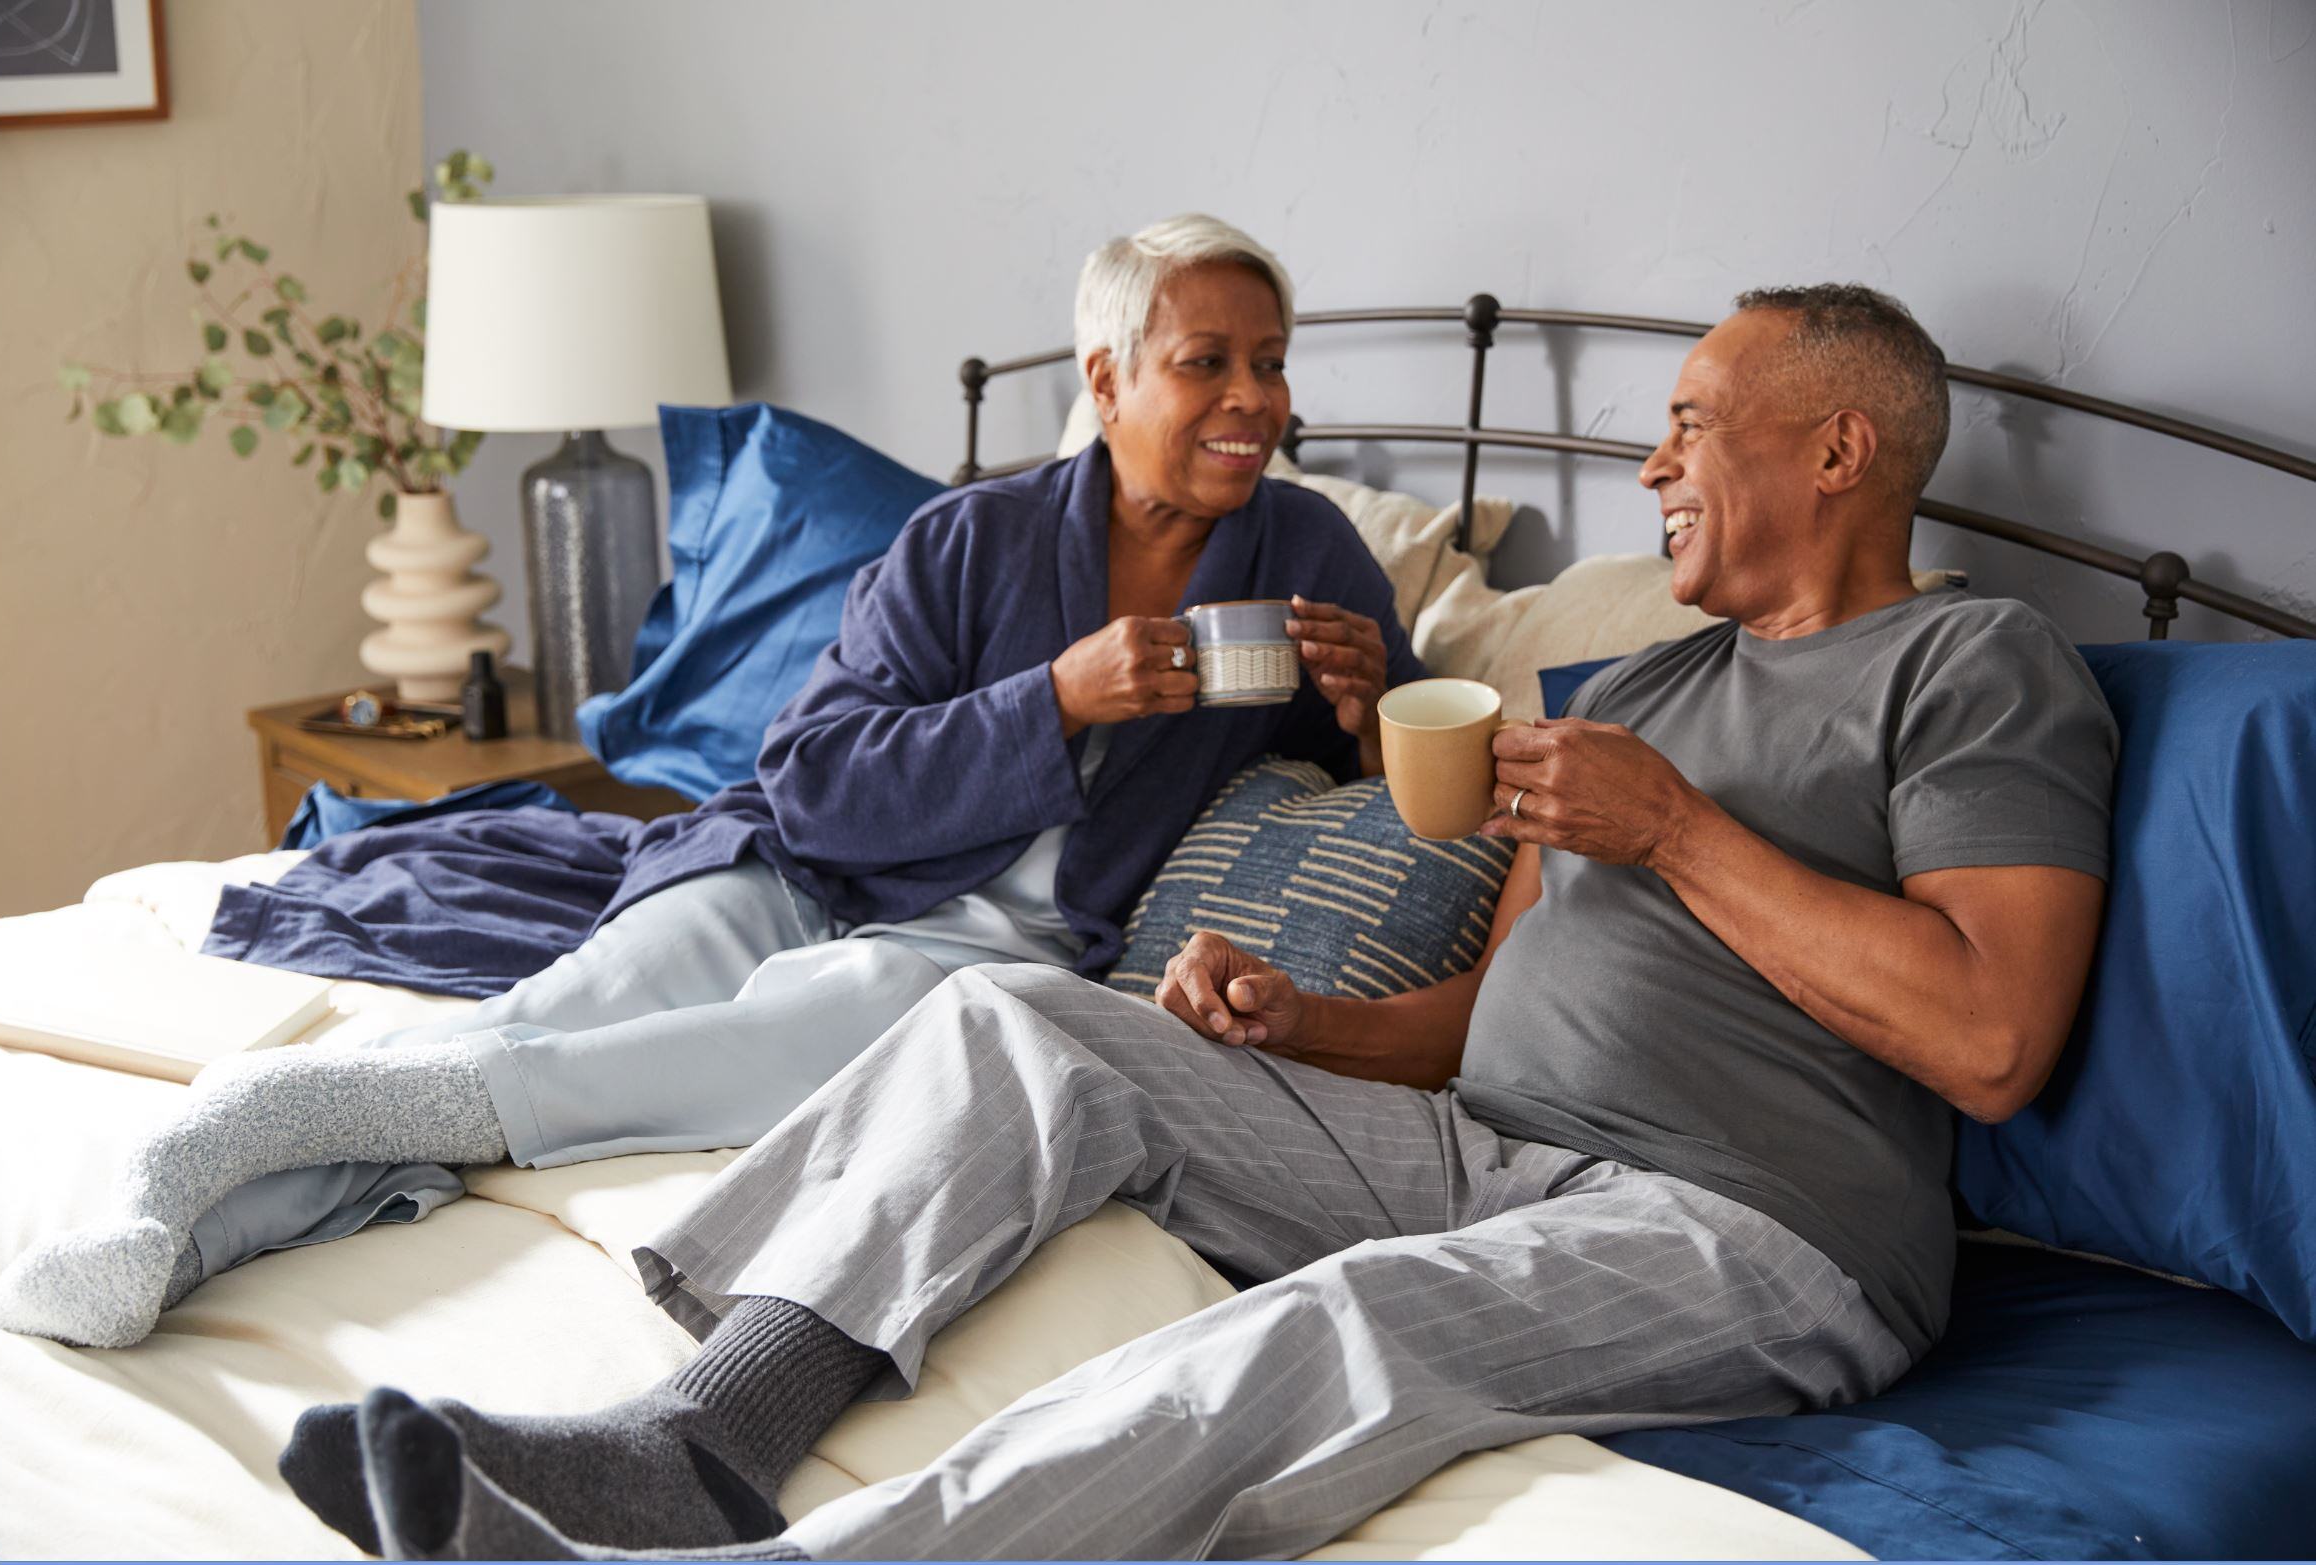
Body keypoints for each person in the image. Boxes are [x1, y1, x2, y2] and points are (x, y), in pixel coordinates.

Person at [279, 282, 2119, 1563]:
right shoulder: (1631, 683)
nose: (1651, 467)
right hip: (1489, 1147)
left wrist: (1681, 832)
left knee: (1344, 1326)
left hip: (1760, 1231)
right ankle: (693, 1442)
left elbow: (1988, 1036)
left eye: (1690, 425)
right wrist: (1290, 1026)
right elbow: (1483, 1022)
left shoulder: (1972, 664)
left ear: (1839, 449)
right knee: (1021, 1021)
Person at [0, 213, 1423, 1352]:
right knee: (566, 1009)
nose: (1254, 398)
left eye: (1273, 362)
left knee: (705, 1055)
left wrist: (1368, 713)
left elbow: (1431, 803)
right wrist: (1054, 696)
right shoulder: (970, 541)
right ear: (1104, 380)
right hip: (797, 870)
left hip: (981, 956)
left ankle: (246, 1151)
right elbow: (811, 777)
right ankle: (179, 1197)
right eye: (1207, 361)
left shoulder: (1307, 557)